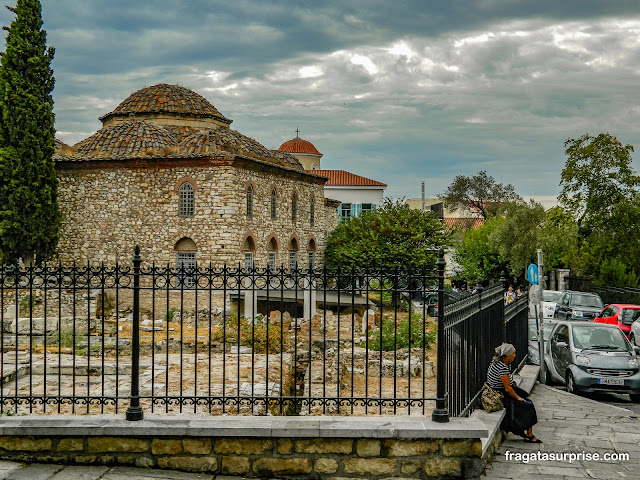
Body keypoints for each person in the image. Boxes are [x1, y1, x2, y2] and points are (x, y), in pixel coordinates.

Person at [486, 343, 541, 443]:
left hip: (498, 390)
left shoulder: (496, 362)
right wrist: (517, 397)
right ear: (507, 356)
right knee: (528, 404)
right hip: (501, 394)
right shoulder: (502, 368)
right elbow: (507, 389)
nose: (515, 355)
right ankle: (529, 435)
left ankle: (529, 434)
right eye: (513, 353)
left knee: (525, 397)